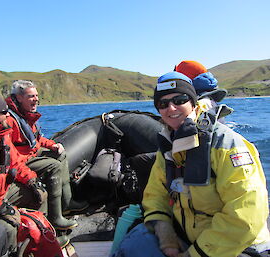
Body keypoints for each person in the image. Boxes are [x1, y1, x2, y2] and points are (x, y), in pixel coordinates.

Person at [112, 72, 270, 257]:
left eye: (179, 100)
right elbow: (155, 195)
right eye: (163, 104)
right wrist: (164, 231)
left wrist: (195, 254)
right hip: (190, 237)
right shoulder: (168, 148)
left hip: (237, 247)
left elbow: (245, 217)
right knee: (134, 243)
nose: (171, 108)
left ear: (194, 103)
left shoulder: (227, 145)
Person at [5, 80, 88, 231]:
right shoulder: (10, 120)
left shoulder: (25, 115)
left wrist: (52, 145)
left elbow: (35, 139)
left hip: (30, 153)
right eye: (31, 96)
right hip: (21, 161)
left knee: (61, 155)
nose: (36, 99)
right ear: (19, 98)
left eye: (36, 95)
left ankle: (67, 203)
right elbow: (9, 154)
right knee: (54, 166)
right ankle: (55, 218)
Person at [0, 93, 47, 254]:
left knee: (39, 194)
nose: (7, 116)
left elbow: (16, 162)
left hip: (0, 193)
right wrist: (1, 208)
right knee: (7, 227)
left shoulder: (0, 132)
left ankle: (40, 243)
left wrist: (32, 180)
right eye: (3, 113)